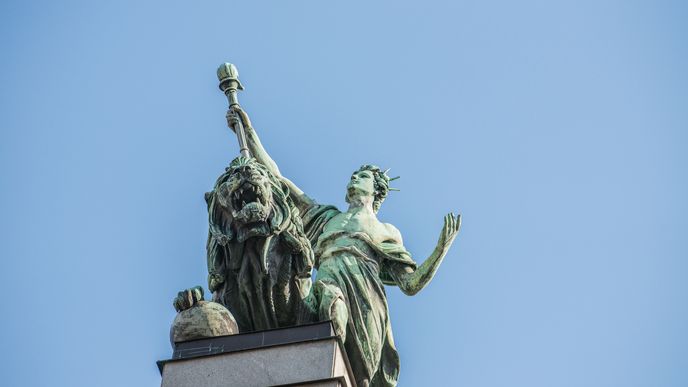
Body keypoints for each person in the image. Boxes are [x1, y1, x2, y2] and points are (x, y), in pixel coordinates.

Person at [227, 107, 461, 387]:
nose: (353, 179)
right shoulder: (328, 217)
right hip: (327, 284)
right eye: (352, 175)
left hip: (366, 302)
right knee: (325, 306)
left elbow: (410, 284)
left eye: (360, 177)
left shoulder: (386, 231)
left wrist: (440, 249)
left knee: (359, 378)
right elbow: (278, 179)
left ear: (376, 190)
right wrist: (248, 133)